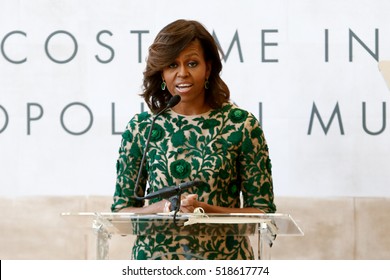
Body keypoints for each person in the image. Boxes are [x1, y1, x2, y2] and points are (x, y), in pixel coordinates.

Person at [111, 19, 276, 260]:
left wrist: (206, 211)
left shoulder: (241, 125)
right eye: (171, 65)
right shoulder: (143, 128)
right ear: (161, 73)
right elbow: (119, 216)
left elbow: (263, 214)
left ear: (208, 68)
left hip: (226, 264)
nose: (182, 73)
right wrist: (162, 208)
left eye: (192, 63)